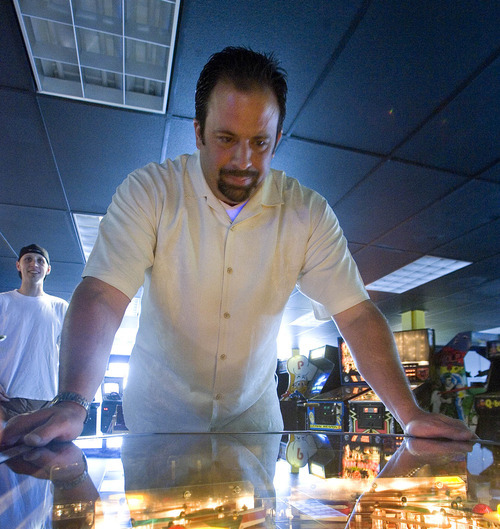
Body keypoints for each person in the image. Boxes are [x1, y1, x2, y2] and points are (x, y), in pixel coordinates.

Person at [0, 48, 474, 447]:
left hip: (254, 430)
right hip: (159, 429)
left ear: (277, 139)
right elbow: (103, 295)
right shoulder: (151, 191)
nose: (243, 162)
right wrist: (73, 401)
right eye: (226, 139)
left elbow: (355, 314)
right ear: (198, 131)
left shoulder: (306, 212)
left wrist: (408, 413)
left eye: (259, 143)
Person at [0, 243, 68, 423]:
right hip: (7, 397)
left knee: (41, 450)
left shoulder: (60, 307)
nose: (34, 264)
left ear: (48, 269)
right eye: (28, 259)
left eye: (40, 261)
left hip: (47, 398)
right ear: (18, 265)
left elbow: (69, 355)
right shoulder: (2, 302)